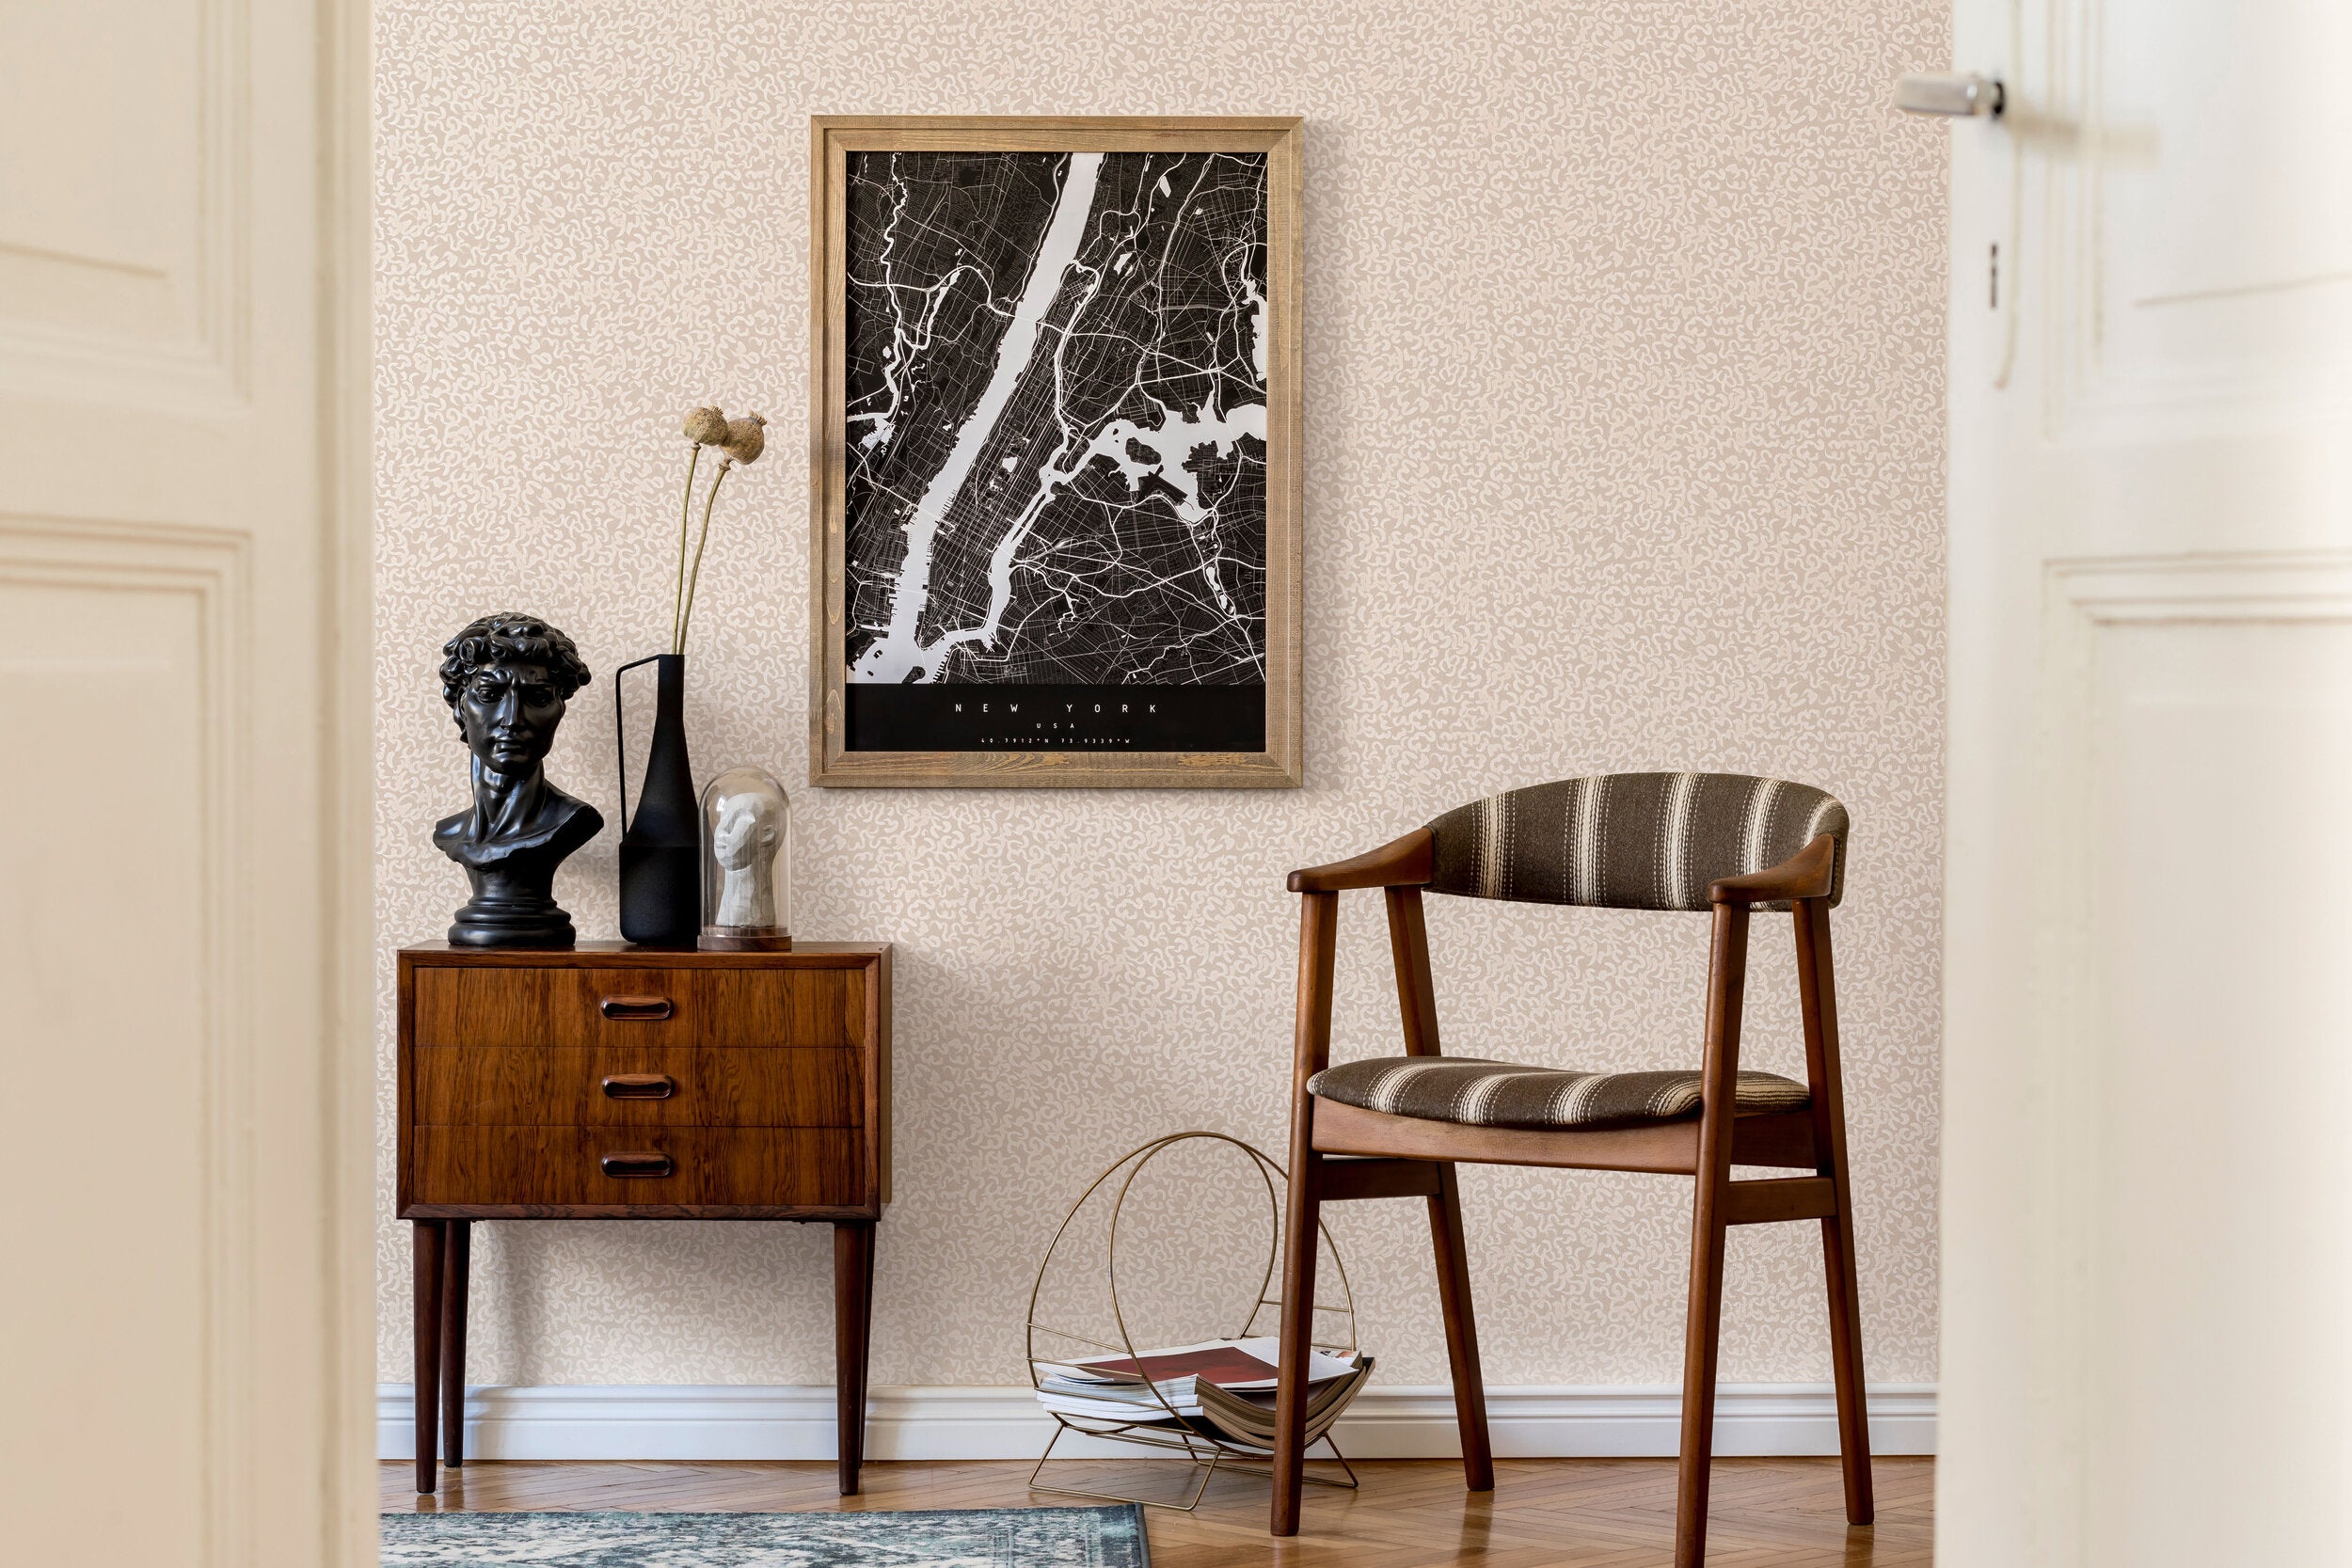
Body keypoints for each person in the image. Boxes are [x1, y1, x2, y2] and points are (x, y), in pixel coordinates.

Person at [432, 613, 602, 946]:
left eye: (538, 698)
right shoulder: (450, 832)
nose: (512, 719)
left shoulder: (574, 821)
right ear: (461, 706)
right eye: (490, 694)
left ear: (559, 709)